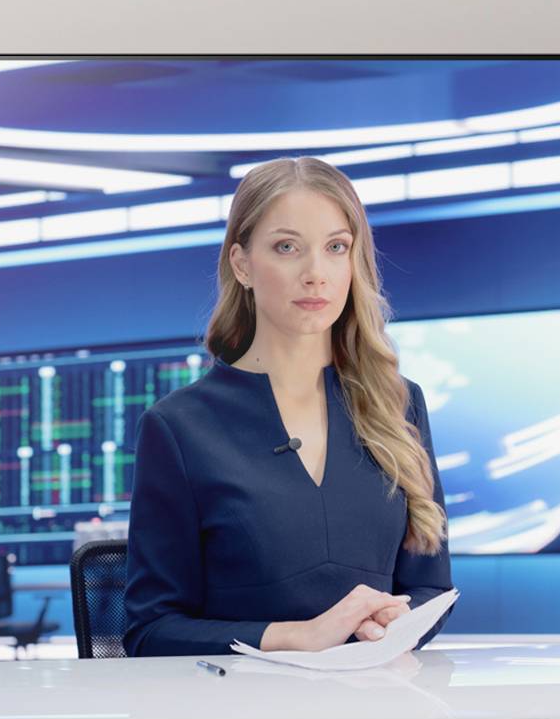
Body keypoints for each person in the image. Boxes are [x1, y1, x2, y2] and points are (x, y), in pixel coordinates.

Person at [121, 156, 453, 660]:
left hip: (379, 708)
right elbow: (151, 630)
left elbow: (431, 588)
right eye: (286, 247)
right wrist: (294, 638)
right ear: (242, 264)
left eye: (335, 248)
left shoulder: (400, 403)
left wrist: (394, 623)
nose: (316, 274)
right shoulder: (178, 428)